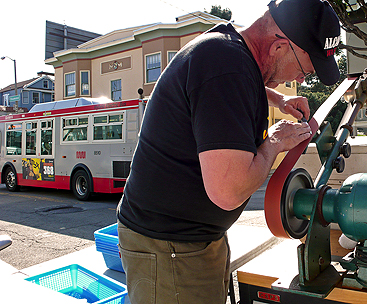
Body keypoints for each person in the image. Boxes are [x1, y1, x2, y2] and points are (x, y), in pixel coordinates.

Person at [116, 0, 341, 303]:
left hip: (190, 240)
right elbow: (228, 192)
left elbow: (240, 84)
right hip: (170, 247)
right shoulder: (224, 66)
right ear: (278, 47)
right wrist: (273, 143)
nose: (301, 80)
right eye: (304, 70)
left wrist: (278, 100)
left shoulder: (229, 53)